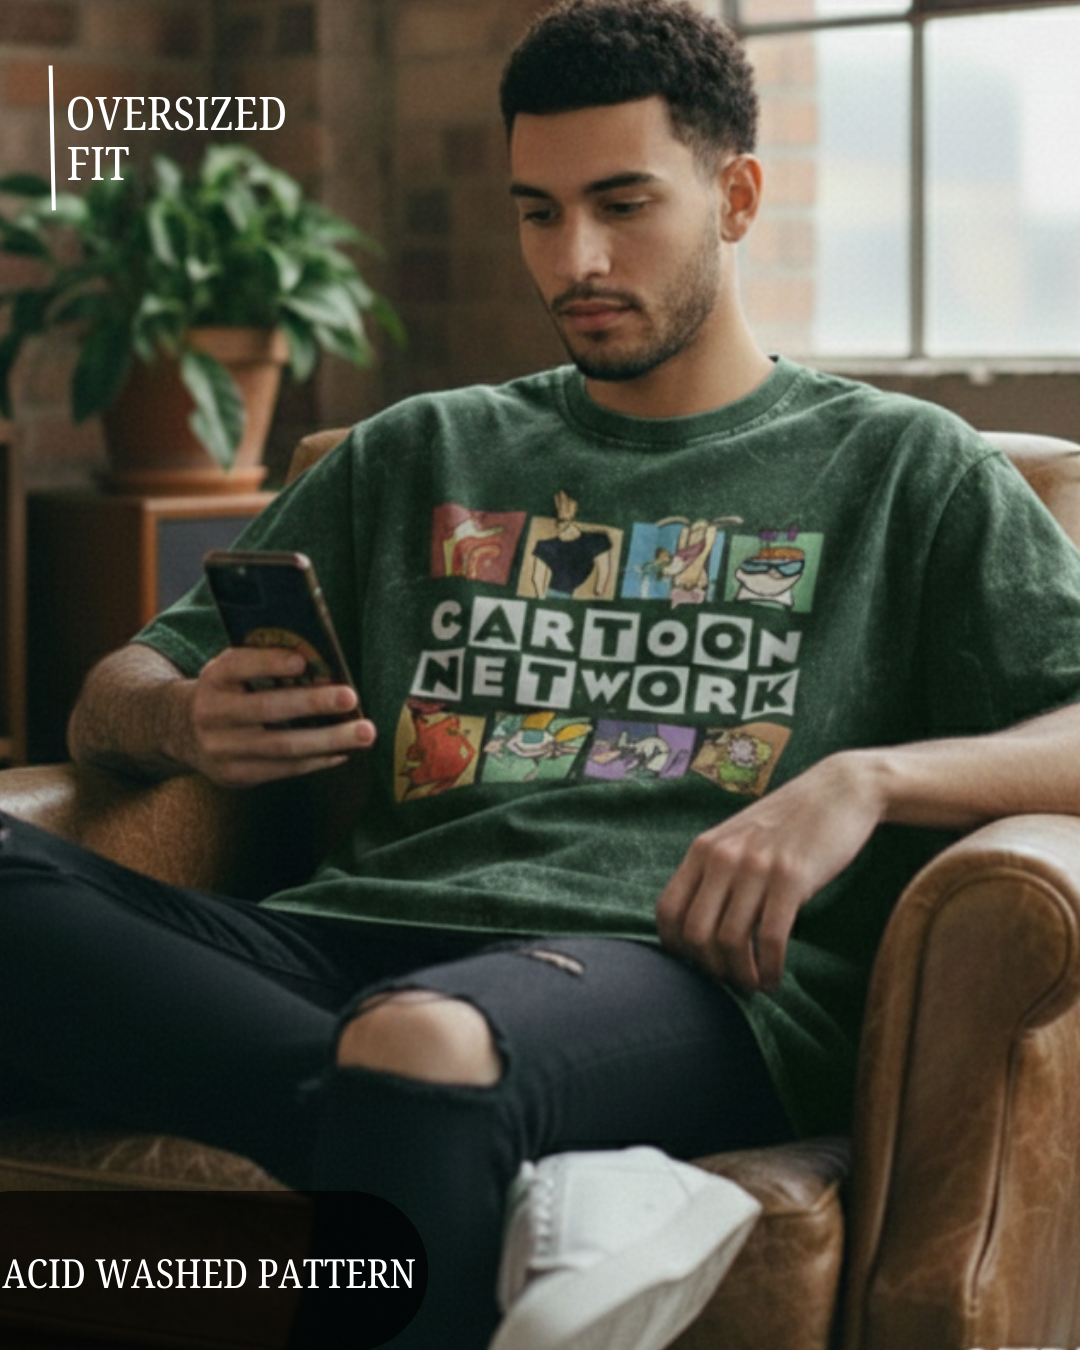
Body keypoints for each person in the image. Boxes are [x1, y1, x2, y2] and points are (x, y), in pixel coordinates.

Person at [4, 0, 1080, 1346]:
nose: (575, 257)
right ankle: (489, 1152)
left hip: (670, 969)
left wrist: (868, 778)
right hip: (347, 941)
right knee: (388, 1038)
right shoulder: (416, 451)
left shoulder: (906, 469)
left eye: (623, 204)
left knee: (426, 1041)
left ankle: (440, 1108)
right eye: (537, 211)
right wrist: (176, 715)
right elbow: (109, 691)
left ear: (737, 195)